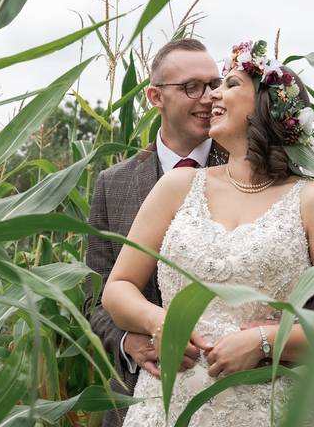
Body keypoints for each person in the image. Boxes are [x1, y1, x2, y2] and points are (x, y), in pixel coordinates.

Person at [102, 39, 314, 426]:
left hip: (268, 406)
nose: (213, 96)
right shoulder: (178, 186)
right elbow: (116, 286)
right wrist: (159, 322)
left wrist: (265, 342)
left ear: (267, 104)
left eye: (229, 84)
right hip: (167, 404)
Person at [85, 38, 229, 427]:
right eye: (190, 87)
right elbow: (93, 300)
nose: (208, 97)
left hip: (231, 389)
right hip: (141, 395)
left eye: (214, 84)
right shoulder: (112, 185)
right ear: (154, 97)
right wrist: (129, 343)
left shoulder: (248, 170)